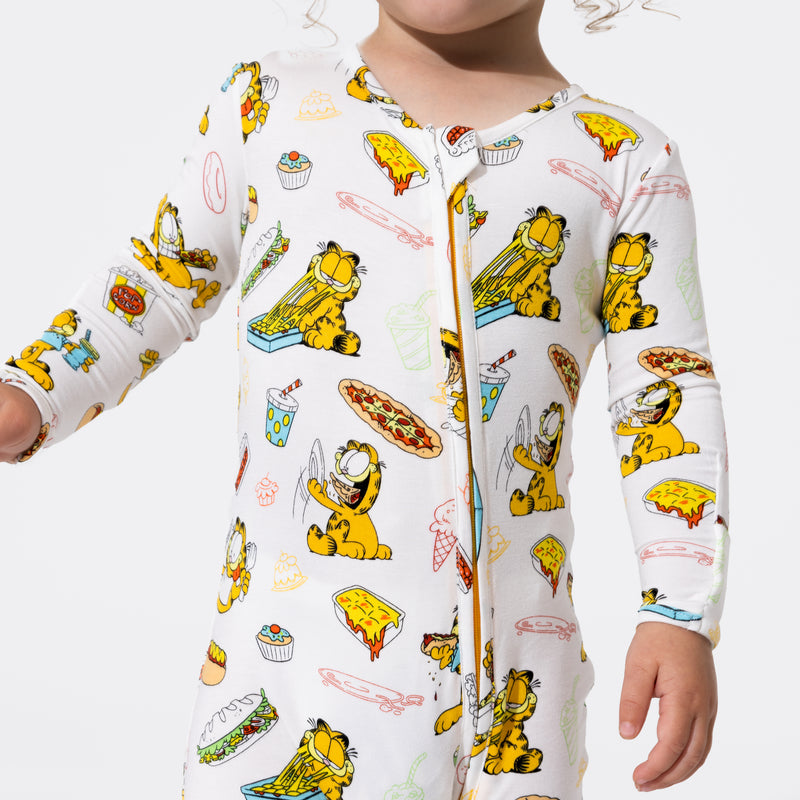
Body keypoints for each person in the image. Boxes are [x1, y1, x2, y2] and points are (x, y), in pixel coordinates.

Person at [0, 1, 727, 798]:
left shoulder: (623, 159)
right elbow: (162, 280)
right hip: (288, 670)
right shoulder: (271, 105)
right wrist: (33, 389)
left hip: (519, 689)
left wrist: (679, 613)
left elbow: (664, 385)